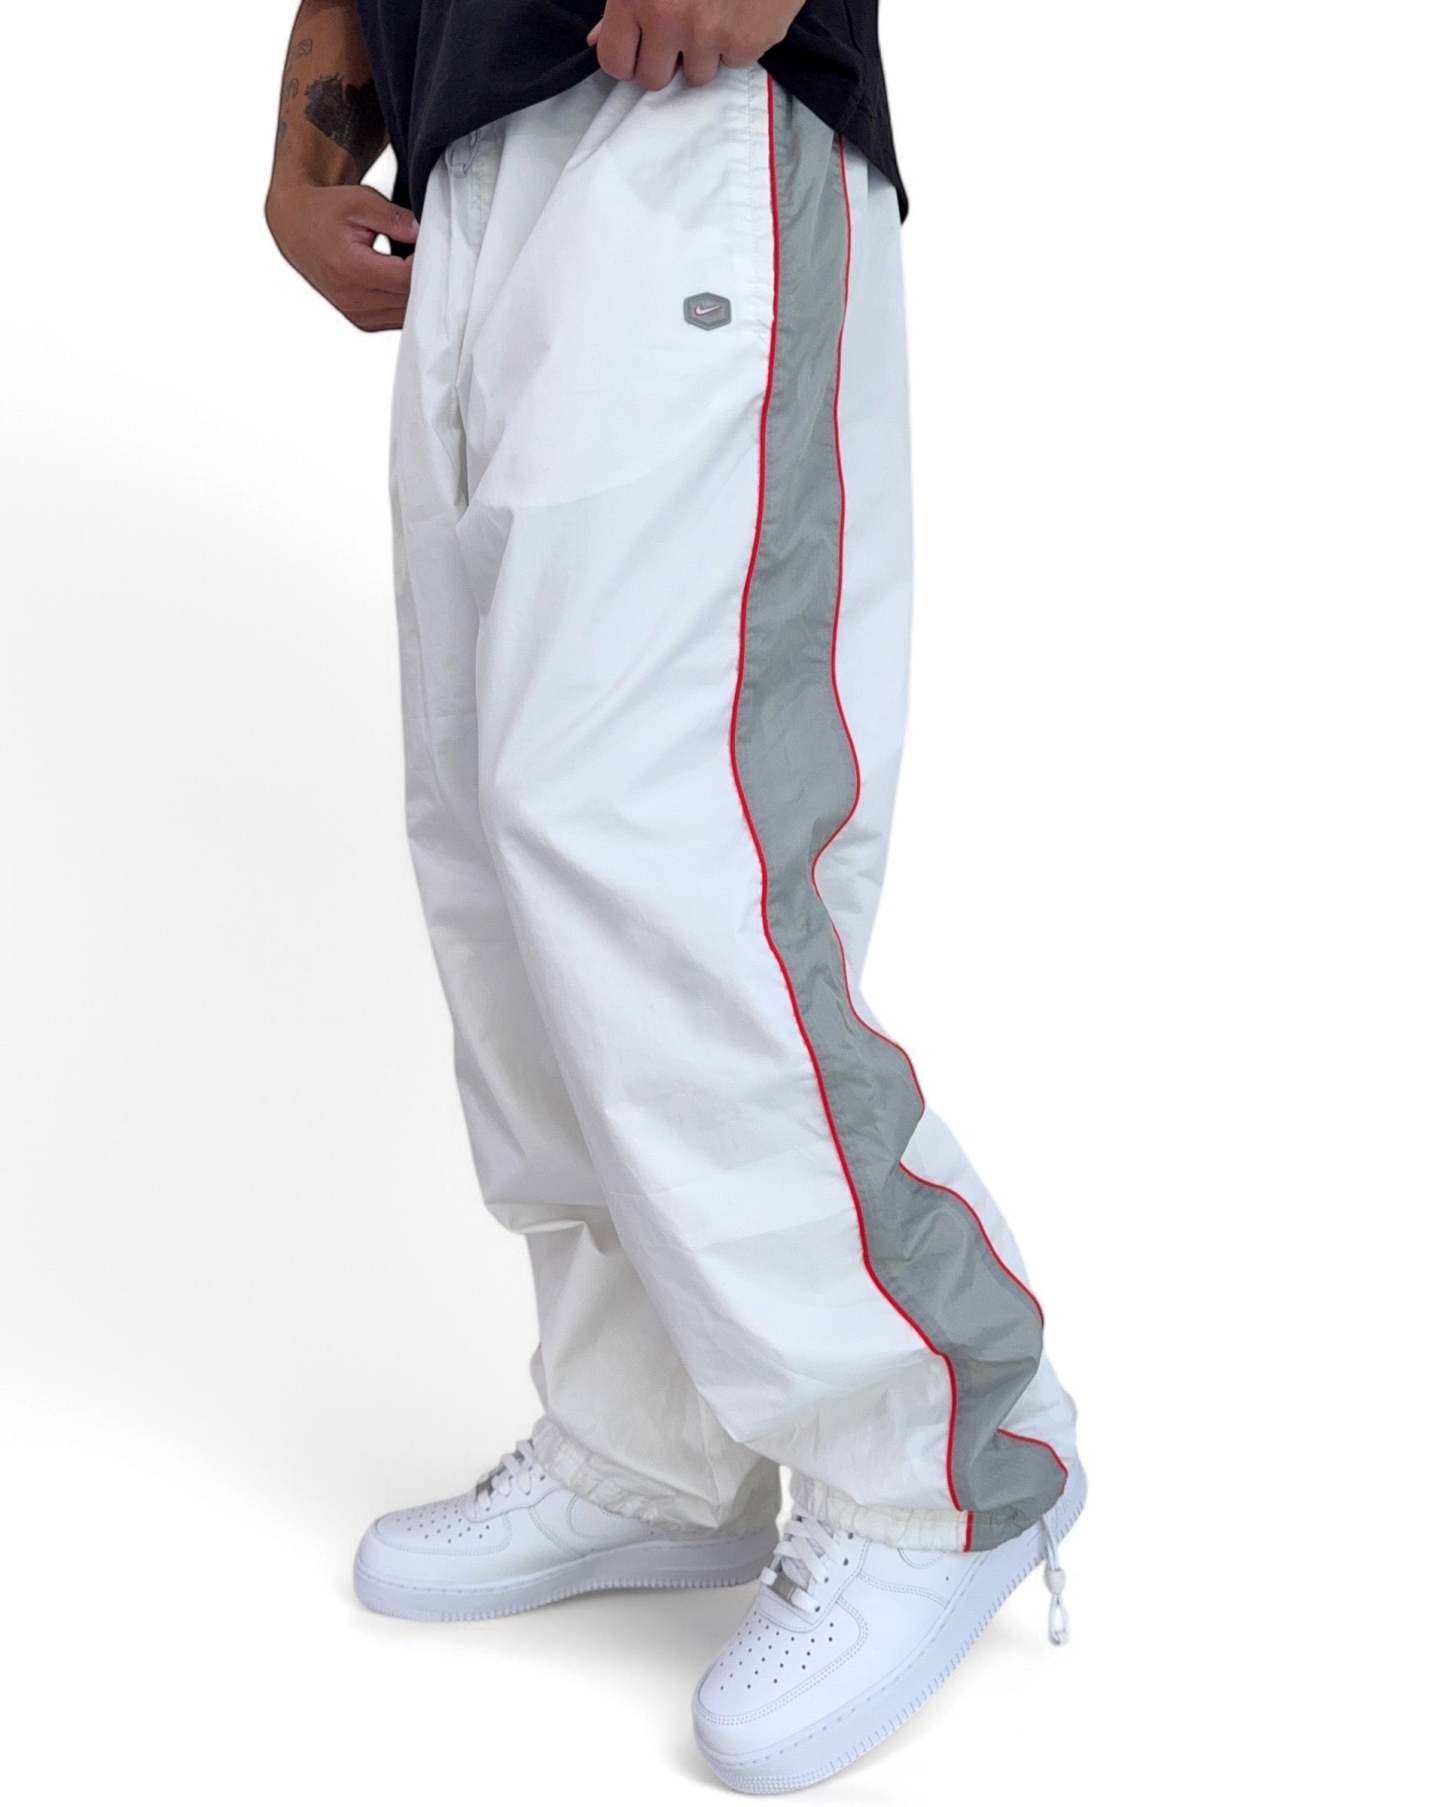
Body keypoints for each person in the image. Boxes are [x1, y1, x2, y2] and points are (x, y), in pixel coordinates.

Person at [266, 1, 1084, 1789]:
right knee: (498, 841)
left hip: (687, 114)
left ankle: (937, 1455)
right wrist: (314, 136)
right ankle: (647, 1440)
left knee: (655, 828)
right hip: (474, 167)